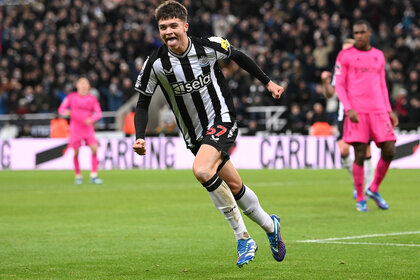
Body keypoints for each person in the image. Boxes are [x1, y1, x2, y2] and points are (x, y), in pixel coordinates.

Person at [132, 1, 286, 268]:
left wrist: (267, 82)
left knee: (202, 171)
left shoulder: (208, 46)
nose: (168, 31)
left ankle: (243, 238)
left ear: (185, 26)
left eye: (173, 25)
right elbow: (143, 101)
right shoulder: (156, 64)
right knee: (235, 186)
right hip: (195, 137)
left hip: (222, 119)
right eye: (162, 27)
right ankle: (270, 225)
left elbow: (238, 56)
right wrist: (140, 135)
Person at [334, 20, 398, 212]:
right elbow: (339, 85)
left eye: (362, 32)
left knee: (390, 150)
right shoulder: (345, 55)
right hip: (357, 111)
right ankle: (360, 198)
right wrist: (348, 108)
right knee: (360, 154)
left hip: (379, 111)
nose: (359, 36)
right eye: (356, 33)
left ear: (370, 32)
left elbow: (382, 84)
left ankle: (374, 188)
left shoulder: (378, 55)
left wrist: (388, 109)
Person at [321, 38, 374, 199]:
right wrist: (324, 82)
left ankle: (369, 188)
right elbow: (331, 94)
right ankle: (356, 180)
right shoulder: (340, 69)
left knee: (365, 151)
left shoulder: (365, 67)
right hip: (344, 114)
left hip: (364, 112)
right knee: (343, 150)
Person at [58, 77, 103, 185]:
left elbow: (98, 113)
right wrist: (66, 112)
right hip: (75, 128)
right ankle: (78, 175)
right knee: (76, 152)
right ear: (77, 85)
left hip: (88, 128)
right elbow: (61, 109)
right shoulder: (71, 97)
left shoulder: (92, 99)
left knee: (94, 148)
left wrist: (91, 119)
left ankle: (93, 175)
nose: (83, 86)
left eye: (85, 84)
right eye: (81, 83)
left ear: (88, 86)